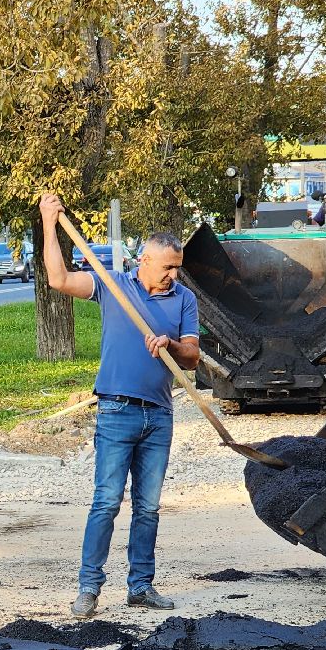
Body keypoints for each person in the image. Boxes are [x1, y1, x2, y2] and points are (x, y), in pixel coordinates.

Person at [38, 194, 200, 620]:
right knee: (107, 502)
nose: (173, 274)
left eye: (177, 266)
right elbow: (58, 279)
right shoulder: (114, 286)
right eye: (166, 266)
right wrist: (48, 222)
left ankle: (140, 587)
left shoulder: (183, 299)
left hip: (159, 415)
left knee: (147, 507)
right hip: (116, 412)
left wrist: (170, 344)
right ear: (143, 260)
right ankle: (89, 588)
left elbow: (193, 356)